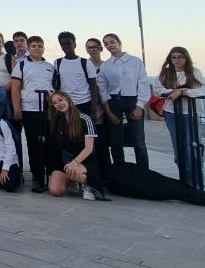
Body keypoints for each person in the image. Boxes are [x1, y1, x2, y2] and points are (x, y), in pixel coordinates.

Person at [154, 47, 205, 187]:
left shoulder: (194, 72)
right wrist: (176, 91)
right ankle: (185, 182)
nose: (177, 60)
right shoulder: (166, 73)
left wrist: (184, 92)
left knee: (193, 148)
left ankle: (197, 184)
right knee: (179, 149)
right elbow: (158, 90)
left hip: (190, 114)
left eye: (180, 57)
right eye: (174, 57)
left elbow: (203, 90)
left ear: (186, 58)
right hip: (172, 113)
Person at [97, 33, 150, 169]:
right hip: (114, 101)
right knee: (116, 141)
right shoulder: (106, 65)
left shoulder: (135, 61)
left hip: (132, 101)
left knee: (138, 141)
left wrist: (139, 106)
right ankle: (121, 171)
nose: (109, 45)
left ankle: (144, 173)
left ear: (119, 42)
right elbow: (102, 89)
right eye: (106, 43)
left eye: (111, 42)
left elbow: (143, 84)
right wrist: (108, 111)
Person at [10, 35, 55, 190]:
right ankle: (37, 175)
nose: (37, 48)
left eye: (39, 45)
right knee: (33, 143)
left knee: (50, 142)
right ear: (28, 48)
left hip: (48, 111)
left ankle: (52, 173)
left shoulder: (50, 66)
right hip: (29, 110)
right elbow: (15, 88)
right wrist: (17, 109)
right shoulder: (21, 65)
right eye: (34, 46)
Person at [46, 91, 106, 200]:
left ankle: (87, 184)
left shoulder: (84, 119)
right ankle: (72, 181)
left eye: (61, 99)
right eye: (55, 103)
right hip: (66, 159)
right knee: (55, 190)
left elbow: (89, 148)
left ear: (68, 99)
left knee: (74, 171)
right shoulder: (58, 120)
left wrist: (75, 162)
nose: (59, 104)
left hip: (84, 160)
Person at [53, 32, 100, 119]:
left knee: (87, 131)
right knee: (69, 131)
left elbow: (93, 87)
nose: (66, 46)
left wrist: (93, 110)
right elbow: (58, 84)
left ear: (74, 44)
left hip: (85, 103)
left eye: (68, 43)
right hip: (66, 105)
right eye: (63, 44)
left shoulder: (85, 63)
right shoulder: (58, 63)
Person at [84, 37, 110, 172]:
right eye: (89, 47)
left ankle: (107, 171)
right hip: (94, 108)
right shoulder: (84, 65)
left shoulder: (107, 65)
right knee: (93, 140)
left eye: (94, 47)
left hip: (108, 106)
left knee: (104, 143)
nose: (92, 49)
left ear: (100, 48)